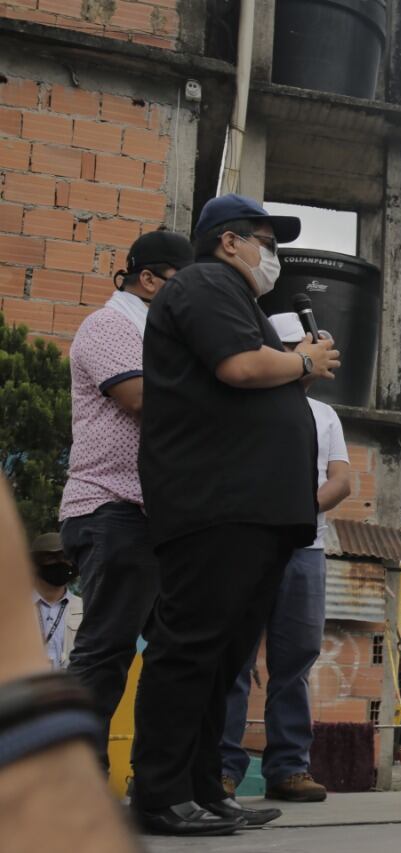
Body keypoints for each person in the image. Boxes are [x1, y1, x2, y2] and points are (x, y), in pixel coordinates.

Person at [131, 193, 340, 836]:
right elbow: (240, 366)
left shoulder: (234, 297)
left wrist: (293, 376)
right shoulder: (205, 284)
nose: (270, 254)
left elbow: (243, 383)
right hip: (214, 503)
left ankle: (201, 787)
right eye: (265, 240)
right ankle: (160, 792)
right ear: (228, 240)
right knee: (192, 648)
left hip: (253, 510)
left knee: (223, 658)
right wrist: (303, 361)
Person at [60, 229, 192, 764]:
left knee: (175, 653)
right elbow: (141, 397)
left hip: (151, 516)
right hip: (110, 507)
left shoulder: (156, 333)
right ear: (147, 279)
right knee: (105, 650)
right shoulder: (110, 326)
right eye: (180, 286)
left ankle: (159, 784)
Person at [219, 313, 352, 803]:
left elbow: (341, 480)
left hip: (306, 550)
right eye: (306, 346)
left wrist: (298, 509)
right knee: (232, 657)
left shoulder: (325, 415)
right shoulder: (243, 401)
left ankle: (288, 768)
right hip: (248, 547)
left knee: (294, 661)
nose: (319, 356)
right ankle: (221, 768)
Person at [0, 479, 141, 853]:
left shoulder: (85, 608)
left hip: (67, 702)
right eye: (49, 560)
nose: (59, 566)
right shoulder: (11, 609)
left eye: (63, 560)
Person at [29, 534, 82, 670]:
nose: (60, 562)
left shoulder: (86, 609)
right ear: (34, 564)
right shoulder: (16, 609)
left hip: (72, 688)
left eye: (65, 557)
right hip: (26, 688)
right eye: (51, 557)